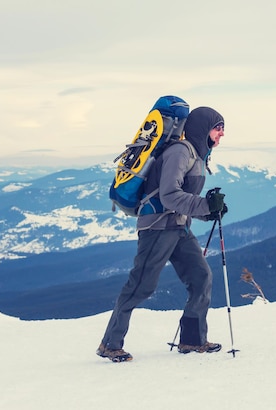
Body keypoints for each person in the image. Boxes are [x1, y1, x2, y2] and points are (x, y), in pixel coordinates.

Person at [96, 106, 228, 362]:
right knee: (141, 286)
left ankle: (192, 341)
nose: (221, 135)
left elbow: (183, 199)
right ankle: (109, 344)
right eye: (218, 128)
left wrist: (210, 211)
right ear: (204, 128)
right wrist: (203, 206)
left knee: (201, 277)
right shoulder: (180, 152)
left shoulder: (198, 155)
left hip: (178, 227)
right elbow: (169, 195)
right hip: (156, 227)